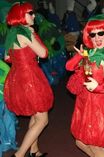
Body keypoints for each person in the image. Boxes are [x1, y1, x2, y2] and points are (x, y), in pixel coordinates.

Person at [66, 14, 104, 157]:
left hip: (99, 103)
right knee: (80, 141)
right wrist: (79, 56)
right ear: (88, 37)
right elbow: (69, 67)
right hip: (84, 101)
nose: (97, 38)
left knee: (94, 144)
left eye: (101, 33)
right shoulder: (88, 53)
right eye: (93, 34)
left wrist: (96, 86)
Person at [4, 2, 54, 157]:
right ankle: (19, 155)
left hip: (17, 76)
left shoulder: (12, 33)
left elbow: (7, 57)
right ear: (21, 16)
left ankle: (34, 151)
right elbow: (44, 53)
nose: (34, 16)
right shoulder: (26, 33)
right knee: (42, 120)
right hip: (29, 78)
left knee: (35, 114)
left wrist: (22, 56)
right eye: (30, 13)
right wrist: (34, 34)